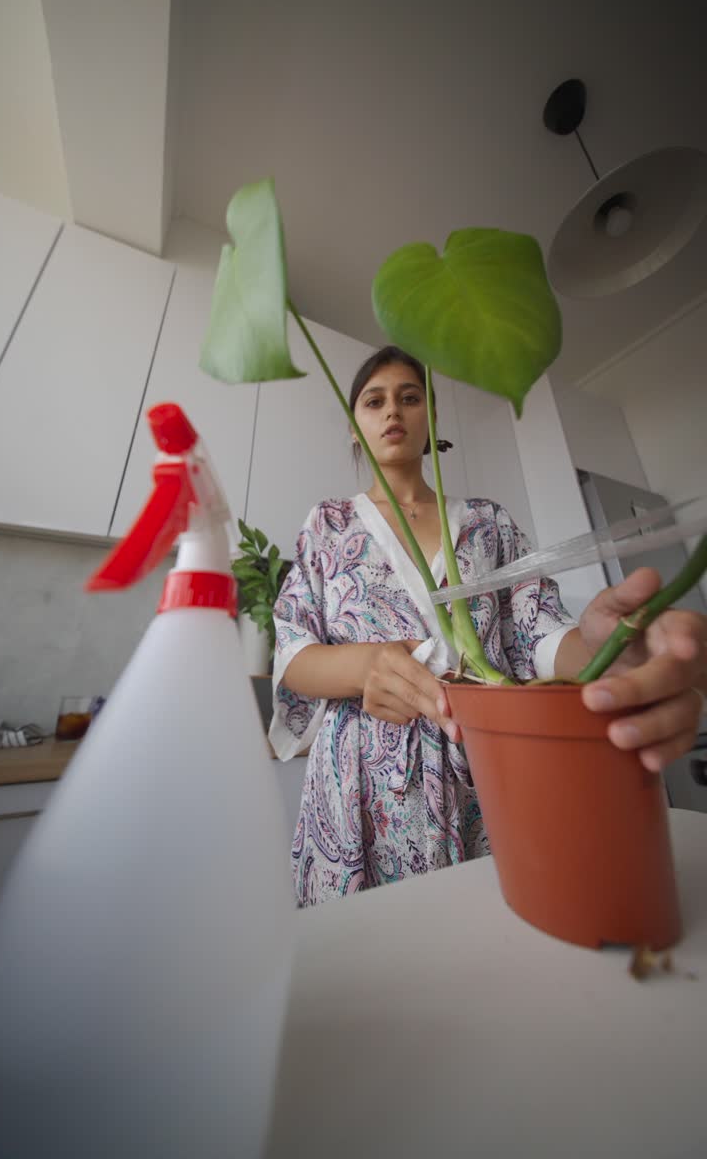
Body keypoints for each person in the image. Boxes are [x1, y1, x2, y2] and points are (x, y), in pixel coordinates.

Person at [269, 346, 707, 907]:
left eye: (409, 397)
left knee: (490, 939)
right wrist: (364, 665)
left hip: (485, 758)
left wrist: (612, 653)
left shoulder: (486, 520)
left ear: (431, 421)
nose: (392, 412)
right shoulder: (327, 523)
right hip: (357, 782)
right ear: (355, 429)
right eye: (373, 402)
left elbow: (536, 633)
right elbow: (293, 651)